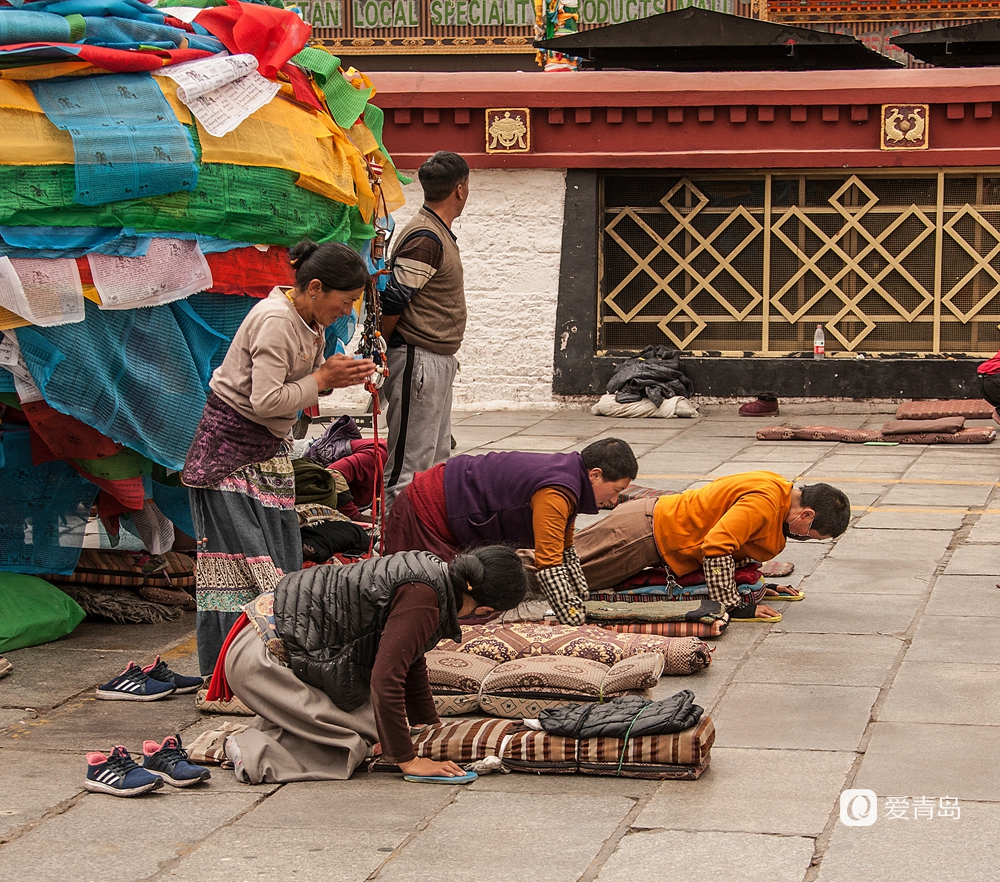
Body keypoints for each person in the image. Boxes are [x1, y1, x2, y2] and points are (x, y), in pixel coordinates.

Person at [182, 241, 376, 676]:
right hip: (228, 460)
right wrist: (323, 377)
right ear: (314, 288)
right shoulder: (274, 321)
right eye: (344, 302)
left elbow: (297, 387)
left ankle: (274, 668)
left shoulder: (308, 322)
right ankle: (227, 675)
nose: (346, 312)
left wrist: (330, 377)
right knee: (243, 569)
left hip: (266, 453)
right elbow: (267, 400)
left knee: (282, 560)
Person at [212, 546, 528, 783]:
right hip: (262, 660)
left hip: (277, 646)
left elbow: (410, 655)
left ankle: (285, 727)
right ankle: (251, 750)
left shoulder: (432, 573)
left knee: (382, 729)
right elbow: (385, 679)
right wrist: (407, 760)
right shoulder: (424, 595)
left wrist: (427, 723)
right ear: (486, 609)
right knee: (354, 744)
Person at [383, 438, 638, 625]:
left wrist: (582, 597)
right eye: (616, 490)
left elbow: (565, 550)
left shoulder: (571, 484)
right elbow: (549, 565)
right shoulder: (557, 492)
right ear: (595, 475)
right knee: (431, 602)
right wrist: (574, 619)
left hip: (446, 509)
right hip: (426, 509)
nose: (614, 501)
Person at [572, 471, 850, 621]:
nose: (804, 538)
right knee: (558, 575)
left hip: (647, 526)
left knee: (559, 565)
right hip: (641, 534)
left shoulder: (778, 489)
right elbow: (717, 547)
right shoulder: (764, 502)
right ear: (807, 514)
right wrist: (734, 606)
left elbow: (738, 546)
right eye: (811, 535)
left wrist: (758, 584)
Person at [380, 151, 470, 510]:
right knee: (409, 467)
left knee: (433, 463)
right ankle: (394, 553)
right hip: (417, 359)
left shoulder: (435, 232)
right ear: (461, 190)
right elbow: (394, 301)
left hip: (434, 359)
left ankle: (419, 547)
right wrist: (386, 347)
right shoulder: (426, 237)